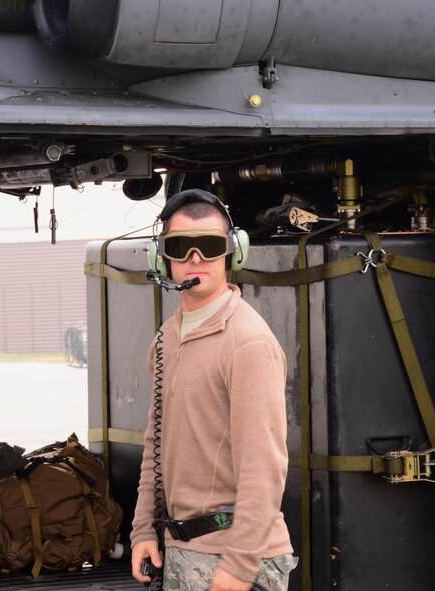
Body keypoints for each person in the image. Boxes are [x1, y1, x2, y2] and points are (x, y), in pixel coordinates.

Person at [131, 189, 296, 591]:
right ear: (161, 257)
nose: (195, 258)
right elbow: (157, 443)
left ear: (231, 254)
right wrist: (143, 530)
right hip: (184, 551)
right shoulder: (168, 338)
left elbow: (264, 467)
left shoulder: (248, 343)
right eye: (180, 247)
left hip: (236, 558)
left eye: (208, 246)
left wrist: (238, 569)